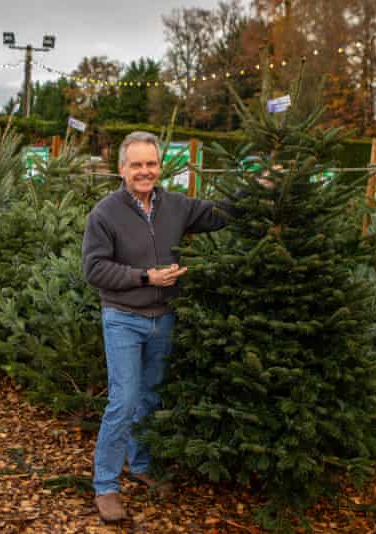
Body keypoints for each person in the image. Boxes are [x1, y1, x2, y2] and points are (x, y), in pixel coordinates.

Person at [82, 131, 231, 522]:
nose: (145, 171)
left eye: (151, 164)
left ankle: (141, 462)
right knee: (124, 399)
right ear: (122, 169)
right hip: (123, 318)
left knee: (150, 396)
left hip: (163, 318)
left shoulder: (176, 206)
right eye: (137, 165)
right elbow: (94, 269)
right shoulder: (105, 213)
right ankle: (106, 486)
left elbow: (219, 214)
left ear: (159, 166)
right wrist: (146, 278)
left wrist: (264, 190)